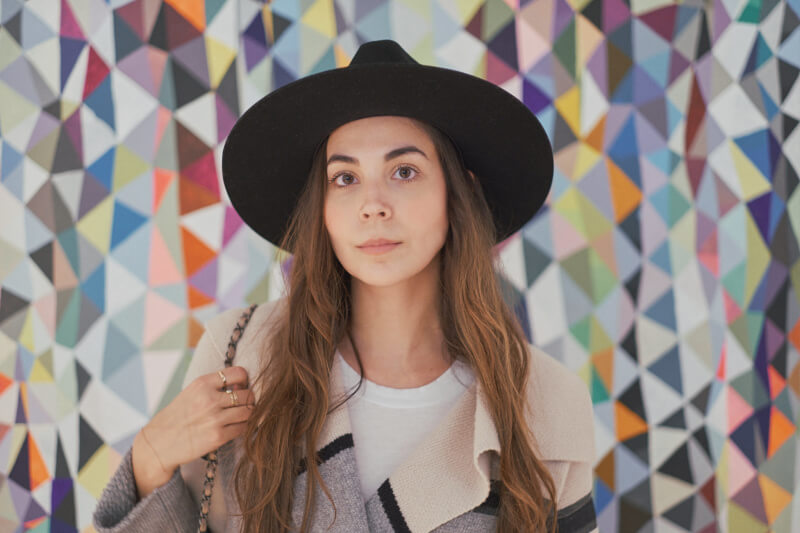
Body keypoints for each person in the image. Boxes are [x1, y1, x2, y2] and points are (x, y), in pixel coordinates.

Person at [93, 39, 597, 533]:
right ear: (323, 209)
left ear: (459, 188)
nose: (372, 204)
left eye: (404, 171)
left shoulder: (545, 402)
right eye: (344, 178)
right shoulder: (241, 357)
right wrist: (150, 458)